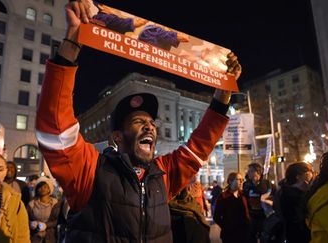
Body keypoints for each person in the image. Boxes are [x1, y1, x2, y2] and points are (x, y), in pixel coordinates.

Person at [34, 1, 241, 242]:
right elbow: (54, 127)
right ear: (117, 137)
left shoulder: (162, 176)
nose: (149, 126)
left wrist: (225, 89)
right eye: (138, 121)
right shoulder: (90, 173)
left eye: (151, 122)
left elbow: (198, 147)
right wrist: (73, 40)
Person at [279, 162, 313, 243]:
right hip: (300, 236)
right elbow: (300, 217)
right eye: (309, 172)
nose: (312, 174)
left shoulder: (285, 191)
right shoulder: (292, 194)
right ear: (298, 176)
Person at [213, 172, 251, 243]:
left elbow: (247, 212)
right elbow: (216, 216)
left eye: (242, 180)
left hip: (244, 234)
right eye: (238, 179)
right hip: (229, 235)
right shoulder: (223, 197)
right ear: (230, 181)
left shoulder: (243, 195)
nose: (241, 182)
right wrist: (226, 227)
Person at [243, 163, 272, 242]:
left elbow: (272, 197)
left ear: (258, 172)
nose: (248, 173)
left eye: (251, 171)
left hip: (265, 217)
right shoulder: (246, 185)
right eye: (248, 171)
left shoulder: (266, 183)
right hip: (252, 217)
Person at [27, 176, 61, 243]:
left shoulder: (55, 204)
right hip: (35, 237)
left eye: (45, 187)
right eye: (40, 187)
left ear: (49, 189)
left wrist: (47, 225)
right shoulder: (31, 204)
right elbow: (25, 218)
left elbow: (58, 220)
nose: (42, 189)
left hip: (50, 237)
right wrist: (30, 223)